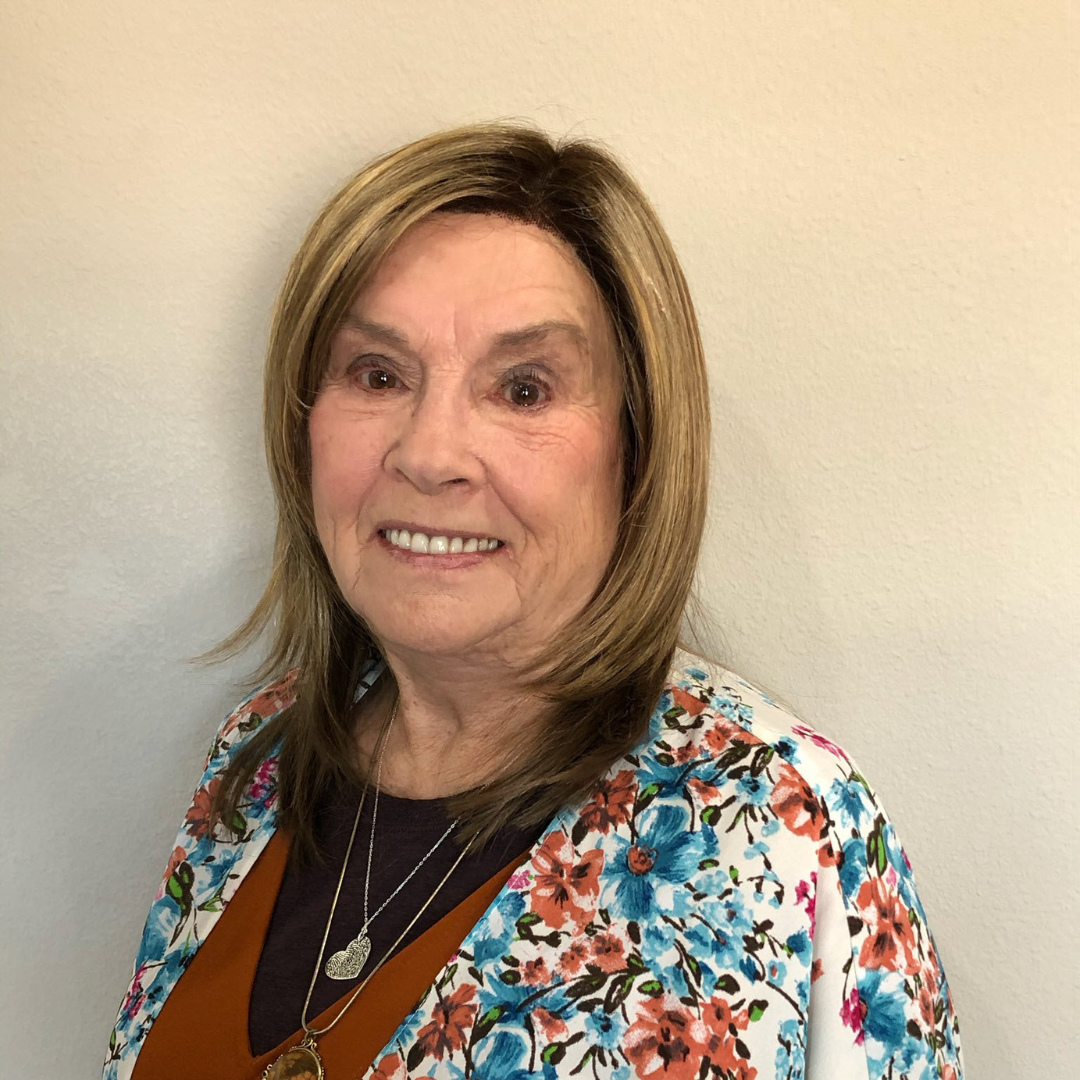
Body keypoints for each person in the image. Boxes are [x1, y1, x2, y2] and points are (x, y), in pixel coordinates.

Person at [103, 123, 963, 1080]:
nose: (429, 454)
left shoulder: (785, 825)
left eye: (523, 389)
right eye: (377, 374)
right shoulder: (258, 762)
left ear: (636, 448)